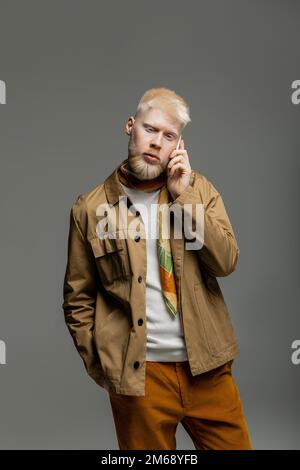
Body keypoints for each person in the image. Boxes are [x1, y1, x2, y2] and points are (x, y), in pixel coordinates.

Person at [62, 87, 252, 450]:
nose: (156, 142)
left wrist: (185, 198)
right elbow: (78, 298)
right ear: (130, 127)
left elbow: (227, 261)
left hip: (207, 369)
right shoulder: (90, 208)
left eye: (169, 136)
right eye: (150, 129)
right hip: (140, 376)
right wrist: (104, 365)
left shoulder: (199, 191)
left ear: (178, 146)